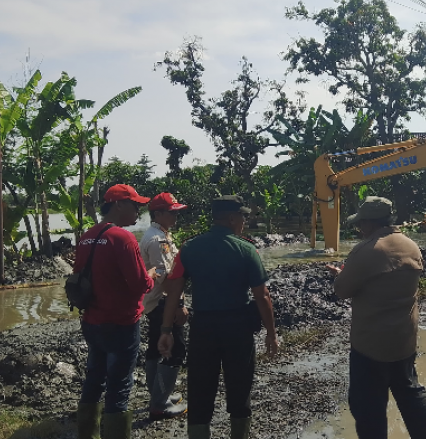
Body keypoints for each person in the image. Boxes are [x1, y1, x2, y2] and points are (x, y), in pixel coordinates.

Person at [158, 195, 279, 439]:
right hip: (238, 329)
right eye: (243, 216)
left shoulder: (189, 248)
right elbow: (262, 296)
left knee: (201, 389)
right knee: (239, 388)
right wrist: (271, 333)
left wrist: (166, 330)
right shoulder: (246, 249)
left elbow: (174, 290)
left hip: (203, 328)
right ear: (232, 218)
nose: (245, 221)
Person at [328, 196, 426, 439]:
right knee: (411, 393)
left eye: (361, 224)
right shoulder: (411, 246)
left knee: (368, 406)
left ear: (369, 223)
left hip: (370, 346)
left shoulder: (368, 249)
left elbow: (342, 290)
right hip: (403, 340)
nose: (359, 229)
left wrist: (341, 274)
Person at [75, 184, 156, 439]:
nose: (139, 211)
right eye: (135, 205)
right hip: (120, 322)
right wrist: (152, 275)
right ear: (119, 205)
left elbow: (81, 276)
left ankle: (85, 433)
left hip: (92, 320)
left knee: (94, 377)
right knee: (120, 385)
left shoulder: (87, 236)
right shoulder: (123, 238)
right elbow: (140, 284)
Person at [139, 193, 189, 420]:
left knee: (154, 348)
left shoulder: (157, 235)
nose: (176, 215)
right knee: (175, 349)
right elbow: (167, 279)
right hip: (162, 303)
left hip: (153, 301)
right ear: (158, 214)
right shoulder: (158, 240)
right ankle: (159, 403)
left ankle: (159, 395)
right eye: (172, 212)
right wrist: (178, 306)